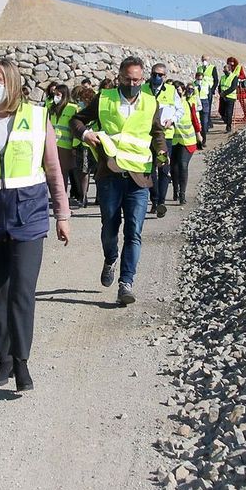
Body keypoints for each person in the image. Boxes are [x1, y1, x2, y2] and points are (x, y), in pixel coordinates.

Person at [0, 59, 72, 392]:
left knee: (21, 291)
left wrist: (62, 215)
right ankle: (3, 358)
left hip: (28, 217)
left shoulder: (36, 118)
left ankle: (21, 362)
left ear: (14, 84)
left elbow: (53, 170)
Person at [72, 56, 167, 307]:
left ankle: (126, 283)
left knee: (134, 231)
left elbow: (157, 132)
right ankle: (110, 258)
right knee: (109, 228)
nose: (132, 83)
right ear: (119, 77)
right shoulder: (105, 98)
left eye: (137, 79)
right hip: (110, 175)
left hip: (139, 177)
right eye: (127, 79)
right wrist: (85, 133)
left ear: (142, 79)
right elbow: (77, 119)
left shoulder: (150, 102)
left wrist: (161, 151)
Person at [143, 63, 181, 218]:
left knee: (163, 168)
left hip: (164, 138)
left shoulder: (171, 91)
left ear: (165, 76)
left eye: (160, 75)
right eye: (154, 74)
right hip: (147, 137)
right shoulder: (143, 89)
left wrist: (171, 119)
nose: (157, 77)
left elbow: (180, 110)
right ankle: (154, 198)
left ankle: (161, 203)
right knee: (150, 170)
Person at [48, 83, 87, 208]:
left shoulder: (72, 108)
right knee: (54, 174)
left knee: (63, 174)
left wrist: (75, 146)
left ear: (64, 95)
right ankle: (58, 198)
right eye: (55, 95)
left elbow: (77, 129)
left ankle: (62, 200)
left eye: (58, 95)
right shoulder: (50, 107)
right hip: (53, 145)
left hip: (66, 146)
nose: (56, 97)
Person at [170, 81, 203, 205]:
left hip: (187, 141)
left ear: (183, 91)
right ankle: (175, 189)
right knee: (173, 167)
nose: (177, 93)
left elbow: (194, 119)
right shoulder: (168, 104)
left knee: (183, 165)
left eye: (179, 90)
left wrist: (199, 134)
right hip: (172, 141)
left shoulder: (188, 104)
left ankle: (182, 194)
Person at [218, 56, 246, 132]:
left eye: (225, 70)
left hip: (231, 97)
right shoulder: (223, 77)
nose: (224, 71)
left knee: (229, 112)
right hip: (223, 96)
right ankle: (227, 120)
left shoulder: (235, 75)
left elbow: (233, 87)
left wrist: (224, 93)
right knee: (221, 111)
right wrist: (220, 93)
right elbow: (220, 86)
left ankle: (228, 126)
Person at [194, 58, 218, 145]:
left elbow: (215, 80)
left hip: (205, 103)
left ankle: (203, 140)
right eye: (198, 79)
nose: (199, 81)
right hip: (196, 104)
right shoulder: (193, 85)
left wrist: (212, 90)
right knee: (197, 122)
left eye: (201, 79)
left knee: (204, 122)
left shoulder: (206, 85)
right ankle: (198, 139)